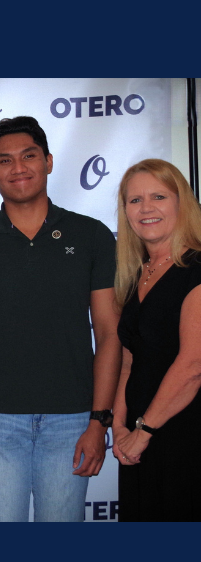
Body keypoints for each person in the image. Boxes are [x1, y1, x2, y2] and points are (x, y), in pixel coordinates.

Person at [0, 116, 121, 522]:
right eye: (4, 160)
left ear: (49, 161)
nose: (18, 168)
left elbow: (109, 334)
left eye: (28, 156)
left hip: (73, 421)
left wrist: (99, 422)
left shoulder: (91, 236)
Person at [111, 159, 201, 521]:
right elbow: (130, 359)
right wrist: (119, 425)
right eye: (134, 201)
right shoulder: (135, 277)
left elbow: (193, 365)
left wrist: (143, 431)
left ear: (182, 203)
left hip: (184, 433)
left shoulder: (196, 270)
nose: (146, 208)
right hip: (137, 437)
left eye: (158, 196)